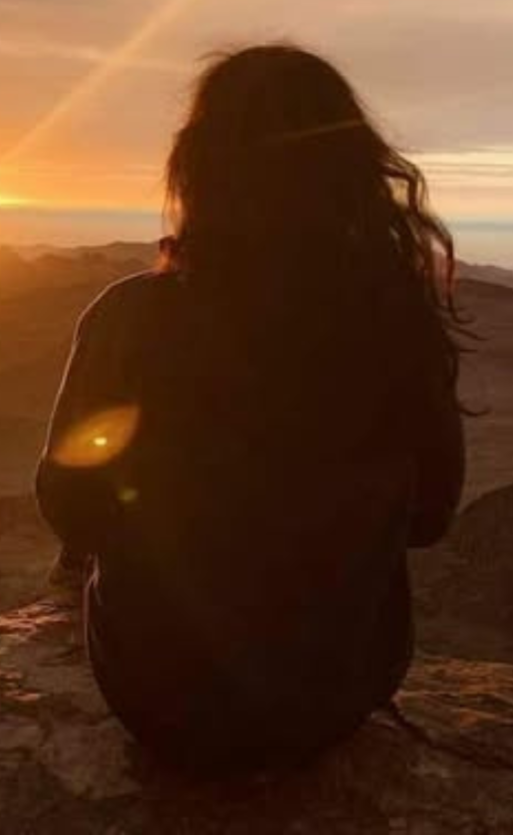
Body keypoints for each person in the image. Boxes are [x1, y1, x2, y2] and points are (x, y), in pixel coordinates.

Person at [35, 44, 467, 773]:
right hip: (338, 696)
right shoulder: (394, 322)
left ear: (198, 170)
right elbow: (430, 518)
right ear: (354, 171)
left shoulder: (131, 317)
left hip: (159, 702)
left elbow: (71, 508)